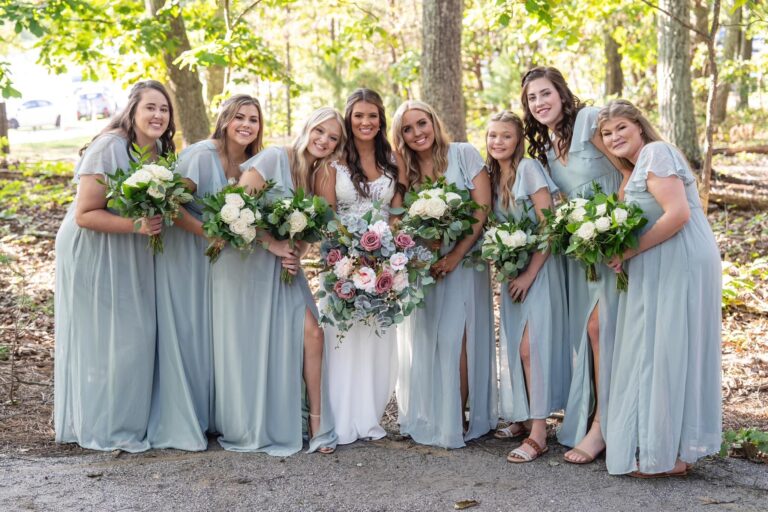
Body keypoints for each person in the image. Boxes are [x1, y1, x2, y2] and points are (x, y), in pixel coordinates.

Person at [598, 99, 722, 477]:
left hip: (680, 259)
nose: (614, 136)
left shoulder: (656, 152)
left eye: (621, 127)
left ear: (639, 127)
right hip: (662, 260)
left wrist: (631, 249)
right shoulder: (636, 168)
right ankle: (671, 451)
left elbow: (679, 214)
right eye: (606, 133)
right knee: (665, 348)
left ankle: (669, 456)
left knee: (668, 349)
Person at [210, 107, 343, 455]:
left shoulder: (317, 176)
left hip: (284, 268)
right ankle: (257, 421)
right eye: (320, 131)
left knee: (312, 333)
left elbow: (310, 227)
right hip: (247, 264)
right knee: (256, 344)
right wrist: (273, 244)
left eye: (333, 138)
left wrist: (296, 250)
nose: (324, 141)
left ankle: (316, 422)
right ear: (307, 128)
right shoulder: (273, 158)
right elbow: (234, 211)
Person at [54, 80, 175, 451]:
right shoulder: (109, 147)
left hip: (130, 252)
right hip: (93, 249)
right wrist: (135, 225)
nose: (157, 115)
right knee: (103, 338)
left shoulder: (158, 154)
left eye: (164, 109)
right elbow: (85, 214)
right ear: (133, 110)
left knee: (133, 337)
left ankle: (124, 417)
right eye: (150, 107)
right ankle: (99, 425)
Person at [521, 66, 628, 464]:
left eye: (545, 94)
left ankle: (603, 427)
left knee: (602, 330)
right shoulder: (546, 149)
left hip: (618, 236)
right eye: (532, 99)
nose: (539, 103)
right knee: (592, 334)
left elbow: (627, 171)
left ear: (563, 94)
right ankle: (593, 417)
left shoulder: (590, 121)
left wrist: (613, 226)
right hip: (584, 249)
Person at [148, 95, 264, 450]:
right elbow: (171, 206)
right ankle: (187, 415)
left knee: (214, 338)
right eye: (239, 117)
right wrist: (208, 233)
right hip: (185, 256)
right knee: (190, 333)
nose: (246, 125)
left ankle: (216, 415)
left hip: (223, 266)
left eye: (254, 120)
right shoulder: (201, 155)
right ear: (225, 119)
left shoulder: (251, 164)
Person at [392, 100, 496, 449]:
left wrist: (454, 254)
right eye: (407, 128)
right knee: (427, 338)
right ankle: (432, 413)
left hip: (464, 262)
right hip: (424, 263)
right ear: (400, 136)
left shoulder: (464, 154)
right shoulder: (406, 170)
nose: (417, 133)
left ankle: (456, 418)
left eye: (422, 123)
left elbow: (481, 209)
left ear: (434, 122)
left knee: (456, 337)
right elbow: (397, 216)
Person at [314, 89, 403, 445]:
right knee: (342, 337)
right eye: (358, 116)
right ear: (349, 120)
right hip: (340, 262)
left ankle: (368, 416)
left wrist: (385, 256)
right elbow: (328, 214)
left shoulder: (393, 162)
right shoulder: (331, 165)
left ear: (381, 120)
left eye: (372, 116)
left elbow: (395, 215)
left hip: (383, 265)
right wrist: (349, 257)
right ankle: (338, 415)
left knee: (375, 337)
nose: (365, 122)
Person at [485, 111, 569, 462]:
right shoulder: (491, 176)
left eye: (505, 136)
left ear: (517, 140)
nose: (497, 142)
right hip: (512, 273)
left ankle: (539, 433)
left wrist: (529, 274)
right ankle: (521, 417)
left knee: (530, 348)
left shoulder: (529, 169)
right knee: (515, 347)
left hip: (538, 270)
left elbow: (549, 226)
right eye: (492, 136)